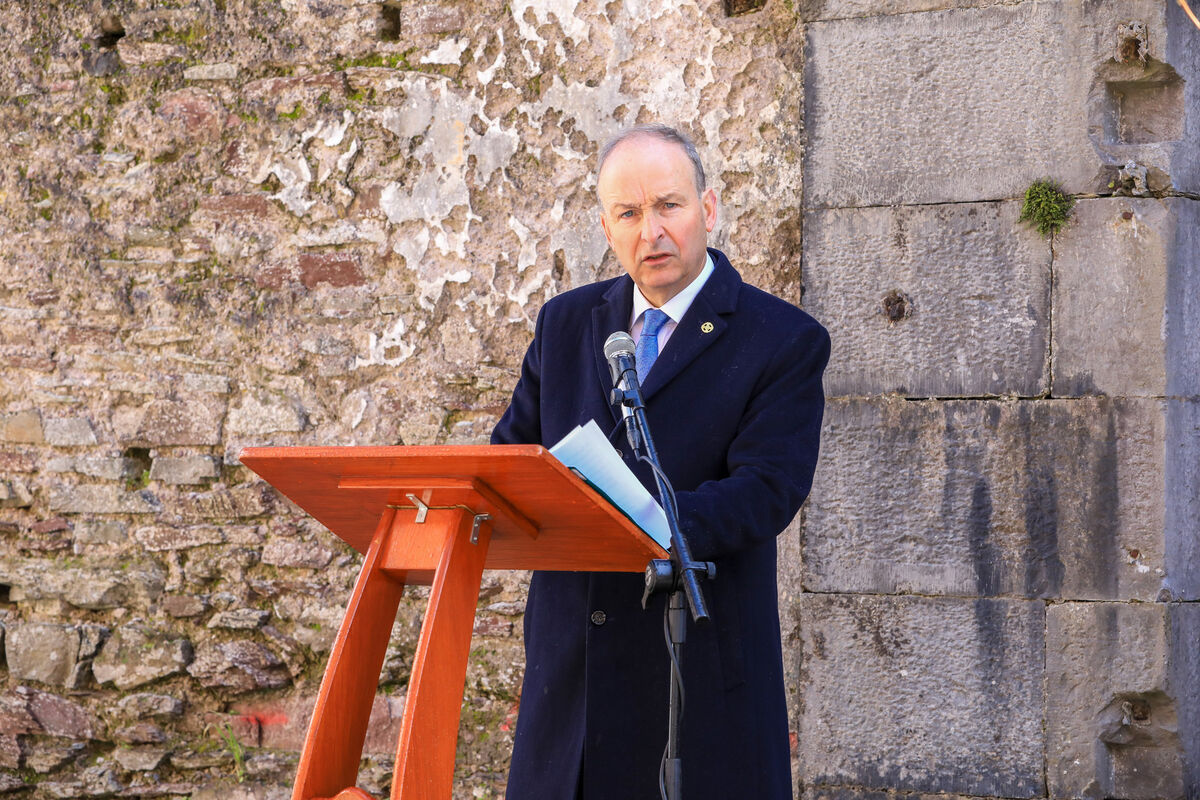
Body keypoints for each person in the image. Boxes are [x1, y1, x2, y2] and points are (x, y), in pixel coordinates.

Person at [491, 124, 829, 799]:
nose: (652, 232)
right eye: (628, 213)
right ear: (606, 227)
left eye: (669, 205)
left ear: (708, 208)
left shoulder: (782, 338)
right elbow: (512, 460)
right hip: (573, 684)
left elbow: (768, 489)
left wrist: (640, 521)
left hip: (694, 676)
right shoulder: (564, 324)